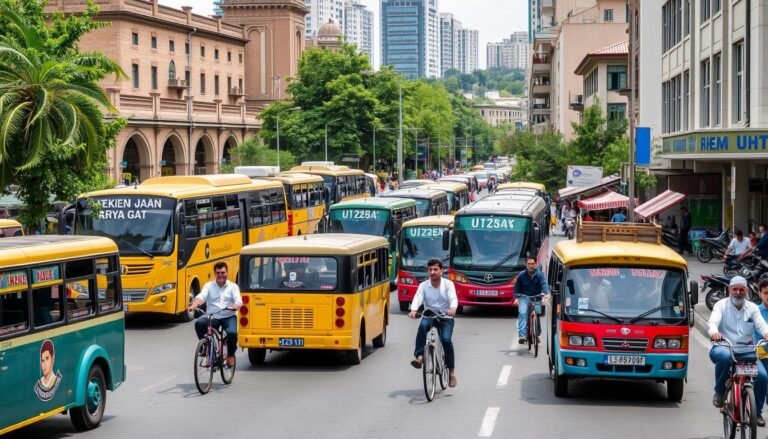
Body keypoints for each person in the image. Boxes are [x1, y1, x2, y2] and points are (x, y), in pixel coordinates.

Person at [708, 276, 768, 424]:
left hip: (746, 351)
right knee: (725, 357)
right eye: (735, 289)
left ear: (746, 291)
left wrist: (767, 333)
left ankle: (757, 412)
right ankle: (720, 391)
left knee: (762, 376)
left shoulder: (752, 308)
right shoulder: (721, 305)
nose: (738, 292)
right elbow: (713, 321)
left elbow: (761, 324)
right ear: (729, 290)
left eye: (742, 290)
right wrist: (714, 332)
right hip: (723, 347)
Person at [408, 258, 458, 388]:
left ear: (441, 271)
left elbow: (453, 298)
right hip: (430, 313)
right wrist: (413, 310)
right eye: (430, 270)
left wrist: (453, 308)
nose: (433, 272)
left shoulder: (448, 284)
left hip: (446, 315)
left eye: (436, 269)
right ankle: (419, 357)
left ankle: (451, 372)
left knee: (446, 340)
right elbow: (418, 298)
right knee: (422, 327)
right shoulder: (423, 286)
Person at [188, 261, 242, 368]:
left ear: (227, 272)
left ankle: (230, 355)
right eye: (218, 273)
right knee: (199, 324)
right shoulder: (209, 286)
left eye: (223, 272)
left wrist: (235, 306)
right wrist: (194, 305)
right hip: (213, 317)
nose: (221, 275)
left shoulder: (233, 287)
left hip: (228, 316)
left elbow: (238, 300)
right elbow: (201, 297)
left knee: (232, 333)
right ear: (214, 273)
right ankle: (206, 347)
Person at [513, 257, 550, 344]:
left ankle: (536, 335)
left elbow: (544, 284)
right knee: (522, 313)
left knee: (537, 314)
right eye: (529, 264)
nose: (531, 266)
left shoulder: (540, 274)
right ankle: (522, 336)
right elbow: (516, 288)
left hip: (537, 297)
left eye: (532, 264)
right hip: (524, 297)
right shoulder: (521, 275)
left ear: (535, 264)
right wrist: (516, 298)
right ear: (526, 265)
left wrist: (546, 294)